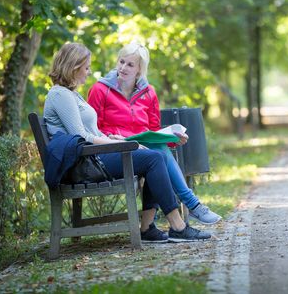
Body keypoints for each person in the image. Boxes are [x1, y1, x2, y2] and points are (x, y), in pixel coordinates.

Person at [43, 42, 211, 242]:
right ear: (73, 67)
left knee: (153, 156)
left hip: (92, 158)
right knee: (153, 159)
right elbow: (82, 137)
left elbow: (91, 132)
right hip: (85, 164)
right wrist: (125, 145)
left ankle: (150, 228)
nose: (89, 72)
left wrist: (115, 139)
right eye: (86, 67)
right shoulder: (60, 94)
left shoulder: (70, 94)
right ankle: (178, 226)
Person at [87, 42, 221, 225]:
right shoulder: (100, 90)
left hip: (142, 148)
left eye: (130, 64)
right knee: (155, 155)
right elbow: (91, 129)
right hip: (112, 149)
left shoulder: (149, 93)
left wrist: (173, 139)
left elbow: (154, 130)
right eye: (121, 62)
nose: (123, 68)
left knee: (156, 152)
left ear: (140, 70)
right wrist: (112, 137)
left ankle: (150, 226)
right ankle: (192, 204)